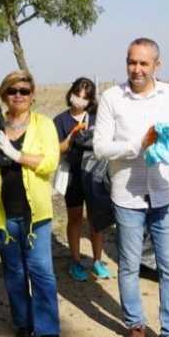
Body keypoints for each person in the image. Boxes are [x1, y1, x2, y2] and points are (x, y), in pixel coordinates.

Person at [94, 38, 169, 337]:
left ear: (157, 65)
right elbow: (100, 148)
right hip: (127, 195)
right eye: (131, 62)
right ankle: (134, 326)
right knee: (129, 265)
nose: (136, 69)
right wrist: (139, 145)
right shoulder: (111, 98)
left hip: (165, 193)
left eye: (143, 63)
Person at [0, 70, 67, 337]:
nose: (18, 95)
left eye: (24, 90)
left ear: (32, 95)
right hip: (2, 213)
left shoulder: (43, 124)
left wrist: (16, 155)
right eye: (12, 90)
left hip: (35, 215)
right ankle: (23, 324)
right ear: (4, 94)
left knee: (42, 272)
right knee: (14, 272)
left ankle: (49, 330)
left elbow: (50, 162)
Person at [54, 77, 110, 282]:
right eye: (77, 95)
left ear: (90, 100)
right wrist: (71, 138)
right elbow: (56, 149)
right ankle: (76, 261)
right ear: (71, 94)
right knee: (75, 218)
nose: (79, 100)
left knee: (97, 219)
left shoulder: (96, 118)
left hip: (95, 175)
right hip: (73, 176)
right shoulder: (60, 120)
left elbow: (105, 142)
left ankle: (97, 261)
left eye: (85, 98)